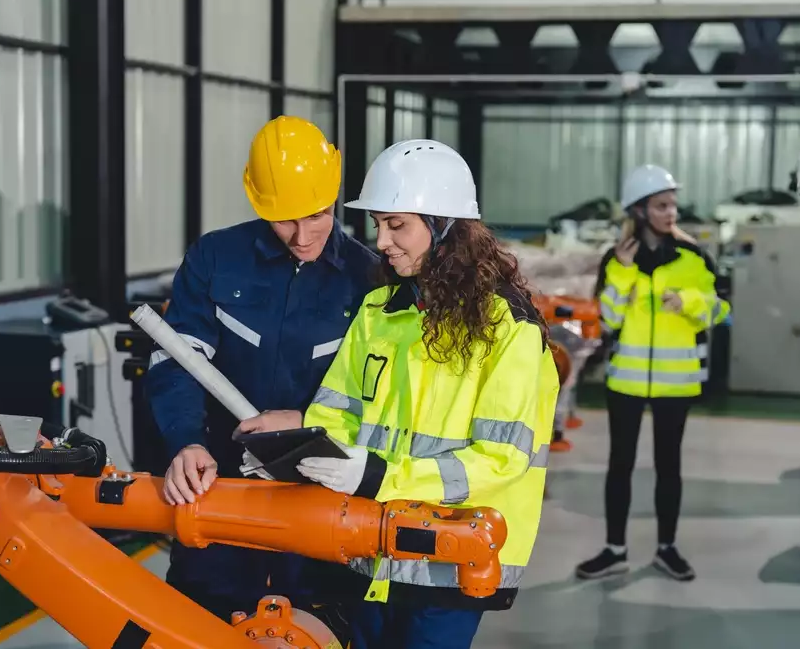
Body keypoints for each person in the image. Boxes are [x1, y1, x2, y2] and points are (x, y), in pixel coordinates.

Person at [287, 139, 559, 649]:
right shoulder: (379, 311)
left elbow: (501, 458)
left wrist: (376, 475)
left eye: (398, 225)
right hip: (367, 550)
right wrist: (300, 454)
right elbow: (335, 409)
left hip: (450, 561)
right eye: (379, 225)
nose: (382, 241)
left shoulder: (508, 330)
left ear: (446, 228)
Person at [145, 116, 380, 621]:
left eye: (316, 215)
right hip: (221, 487)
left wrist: (305, 422)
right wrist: (186, 441)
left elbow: (383, 396)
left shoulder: (369, 279)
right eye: (284, 219)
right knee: (199, 620)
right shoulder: (216, 257)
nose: (301, 236)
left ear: (335, 196)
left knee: (321, 624)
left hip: (325, 498)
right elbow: (178, 359)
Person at [575, 164, 730, 582]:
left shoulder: (694, 257)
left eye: (673, 205)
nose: (671, 213)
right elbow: (606, 319)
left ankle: (667, 548)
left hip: (676, 382)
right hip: (624, 379)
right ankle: (615, 549)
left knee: (669, 466)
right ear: (640, 210)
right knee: (619, 464)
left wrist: (692, 302)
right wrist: (623, 274)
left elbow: (721, 310)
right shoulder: (616, 259)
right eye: (662, 205)